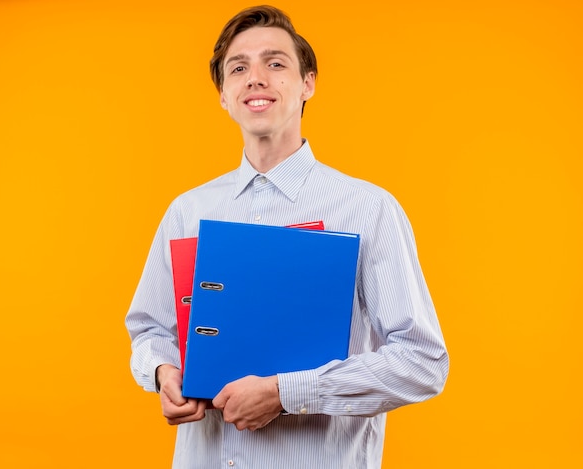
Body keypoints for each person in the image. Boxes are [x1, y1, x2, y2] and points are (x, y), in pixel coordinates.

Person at [125, 5, 449, 468]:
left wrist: (286, 392)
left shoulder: (367, 208)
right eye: (239, 68)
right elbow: (149, 329)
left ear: (308, 84)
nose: (255, 77)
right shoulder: (187, 211)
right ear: (223, 94)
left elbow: (422, 363)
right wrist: (162, 371)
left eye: (275, 63)